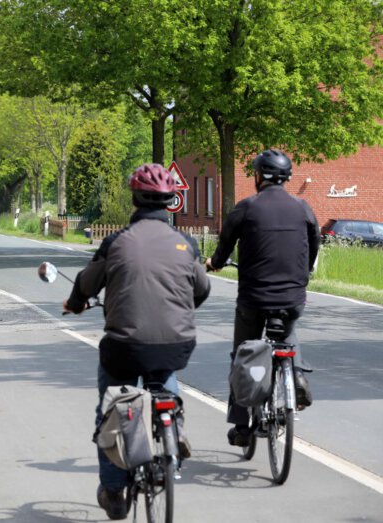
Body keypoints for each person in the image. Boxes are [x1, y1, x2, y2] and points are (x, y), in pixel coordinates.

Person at [64, 163, 211, 520]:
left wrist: (76, 302)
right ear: (169, 200)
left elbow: (87, 283)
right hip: (177, 343)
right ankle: (172, 422)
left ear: (134, 199)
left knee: (112, 407)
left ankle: (114, 492)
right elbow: (202, 289)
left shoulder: (117, 242)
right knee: (163, 376)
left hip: (124, 349)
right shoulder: (185, 243)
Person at [205, 148, 320, 447]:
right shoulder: (303, 208)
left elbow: (225, 246)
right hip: (293, 297)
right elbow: (314, 243)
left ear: (258, 176)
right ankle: (295, 376)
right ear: (287, 178)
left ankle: (242, 427)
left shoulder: (246, 208)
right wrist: (303, 273)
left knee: (243, 353)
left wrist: (214, 263)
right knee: (288, 330)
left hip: (253, 299)